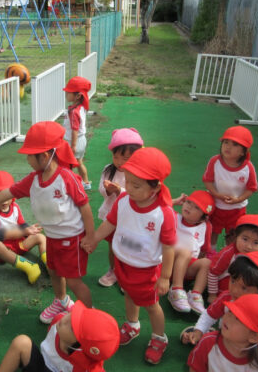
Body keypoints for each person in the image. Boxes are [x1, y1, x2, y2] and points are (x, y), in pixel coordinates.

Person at [0, 121, 94, 322]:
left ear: (45, 156)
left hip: (72, 240)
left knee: (74, 281)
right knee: (54, 272)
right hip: (53, 238)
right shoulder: (34, 179)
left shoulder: (66, 177)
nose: (27, 159)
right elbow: (9, 192)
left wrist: (91, 236)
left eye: (30, 155)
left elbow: (85, 207)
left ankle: (90, 318)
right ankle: (61, 301)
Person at [82, 147, 176, 365]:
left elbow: (169, 247)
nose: (129, 188)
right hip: (122, 263)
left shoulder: (163, 213)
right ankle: (132, 324)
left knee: (152, 305)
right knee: (128, 294)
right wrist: (95, 238)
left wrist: (165, 277)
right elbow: (111, 222)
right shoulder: (124, 200)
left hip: (146, 269)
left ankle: (159, 337)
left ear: (155, 188)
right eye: (128, 181)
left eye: (136, 185)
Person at [182, 253, 258, 372]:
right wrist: (199, 331)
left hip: (257, 348)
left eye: (244, 288)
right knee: (209, 341)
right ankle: (206, 334)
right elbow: (210, 314)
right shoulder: (227, 297)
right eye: (232, 281)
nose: (234, 290)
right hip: (226, 337)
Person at [0, 302, 120, 372]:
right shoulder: (59, 320)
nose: (66, 319)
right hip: (41, 364)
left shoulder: (86, 366)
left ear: (79, 347)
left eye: (72, 327)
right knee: (21, 342)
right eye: (73, 314)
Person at [187, 294, 258, 372]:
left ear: (255, 337)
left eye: (237, 319)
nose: (228, 318)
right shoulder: (208, 342)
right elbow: (196, 368)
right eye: (230, 312)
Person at [97, 128, 144, 287]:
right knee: (113, 246)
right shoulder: (108, 170)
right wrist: (108, 190)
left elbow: (139, 196)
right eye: (116, 157)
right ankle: (113, 270)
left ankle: (128, 274)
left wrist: (120, 191)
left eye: (125, 158)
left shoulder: (140, 174)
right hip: (111, 216)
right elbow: (101, 190)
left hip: (131, 219)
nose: (119, 162)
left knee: (130, 247)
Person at [0, 170, 47, 284]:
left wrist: (29, 230)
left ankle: (48, 261)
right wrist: (21, 232)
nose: (4, 200)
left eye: (7, 195)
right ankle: (28, 266)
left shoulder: (15, 207)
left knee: (40, 237)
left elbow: (22, 224)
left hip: (19, 245)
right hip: (4, 251)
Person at [203, 126, 258, 248]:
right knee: (212, 231)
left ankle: (228, 254)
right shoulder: (214, 161)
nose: (228, 146)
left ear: (243, 152)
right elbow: (208, 180)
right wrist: (216, 194)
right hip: (215, 205)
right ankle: (211, 253)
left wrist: (239, 199)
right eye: (225, 142)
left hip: (237, 209)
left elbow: (251, 188)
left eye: (235, 144)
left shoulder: (248, 168)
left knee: (233, 235)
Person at [168, 190, 215, 315]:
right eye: (188, 202)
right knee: (185, 253)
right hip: (167, 263)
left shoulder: (206, 226)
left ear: (204, 216)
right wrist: (175, 201)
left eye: (196, 208)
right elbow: (161, 206)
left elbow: (204, 249)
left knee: (206, 262)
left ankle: (195, 295)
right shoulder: (174, 216)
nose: (189, 207)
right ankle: (176, 289)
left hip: (186, 268)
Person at [62, 76, 92, 190]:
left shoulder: (74, 111)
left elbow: (75, 129)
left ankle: (69, 184)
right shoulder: (80, 107)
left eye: (68, 92)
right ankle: (86, 182)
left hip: (75, 141)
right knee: (79, 162)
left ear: (78, 95)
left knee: (68, 165)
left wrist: (73, 146)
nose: (66, 94)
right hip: (81, 140)